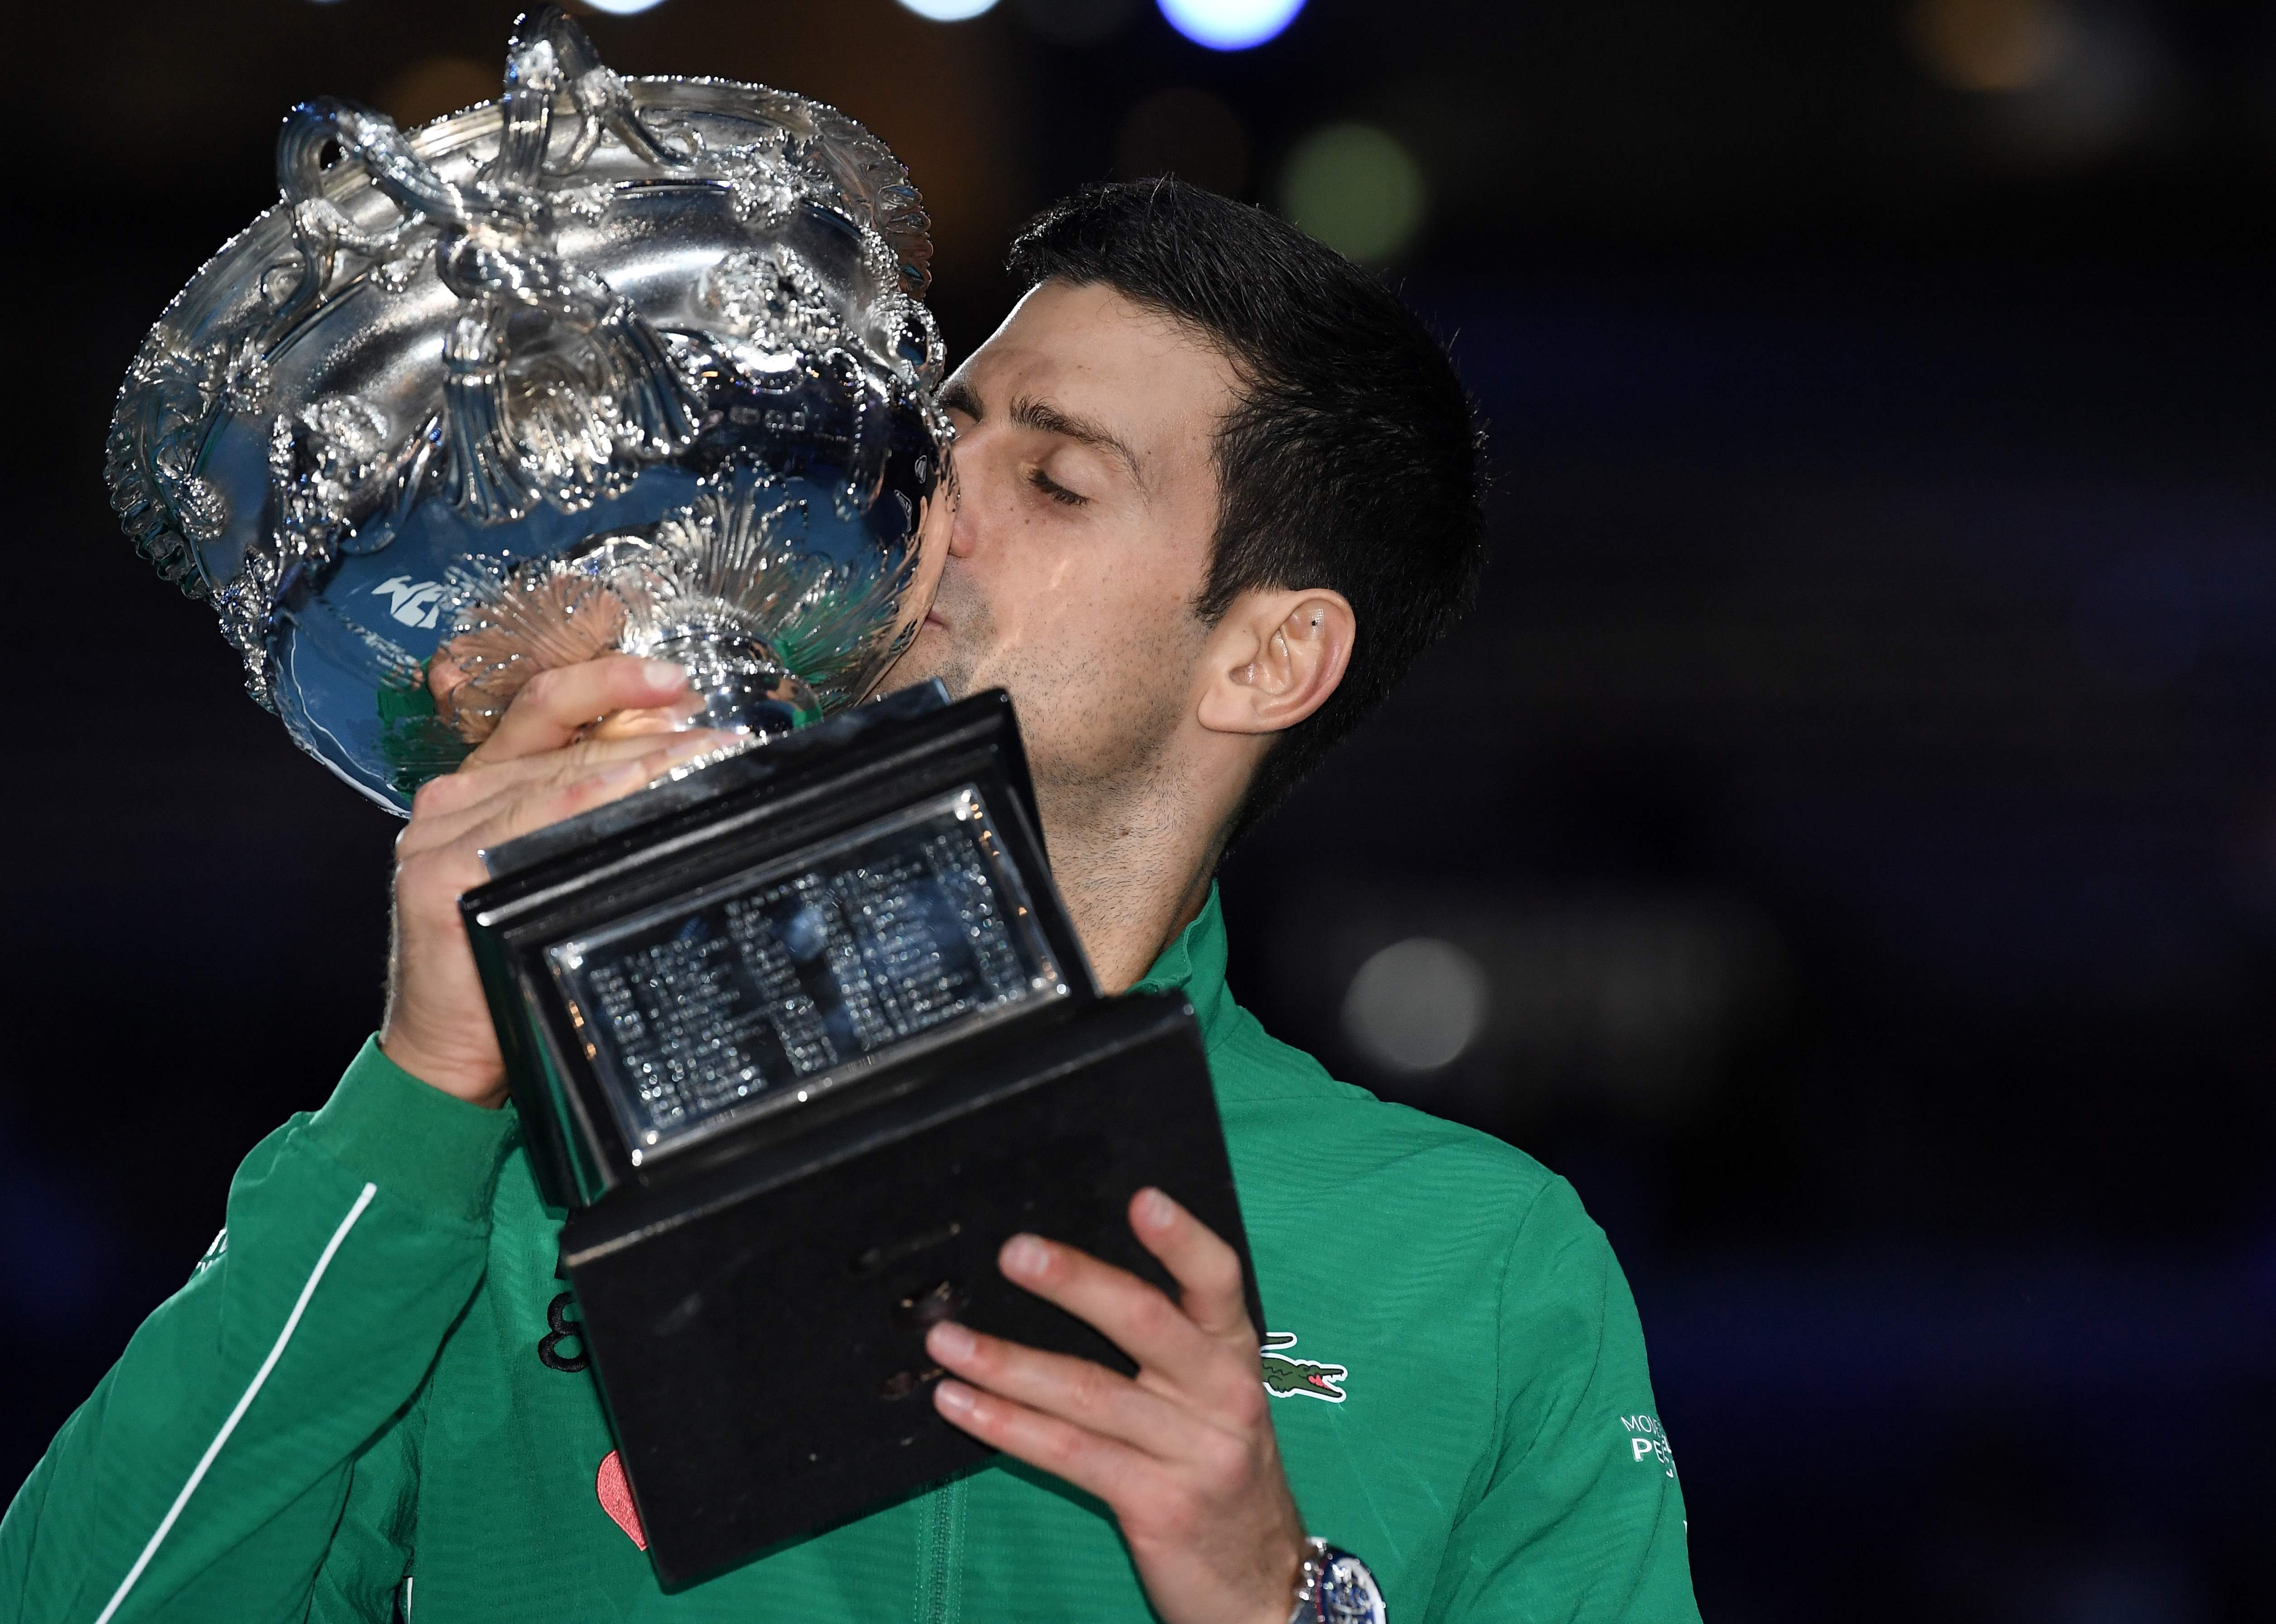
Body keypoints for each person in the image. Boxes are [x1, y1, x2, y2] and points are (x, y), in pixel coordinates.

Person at [2, 180, 1698, 1624]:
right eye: (939, 436)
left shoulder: (1474, 1261)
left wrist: (1269, 1592)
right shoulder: (515, 1160)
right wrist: (419, 1096)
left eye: (1053, 482)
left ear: (1268, 655)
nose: (925, 513)